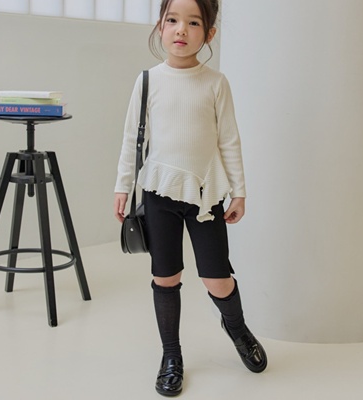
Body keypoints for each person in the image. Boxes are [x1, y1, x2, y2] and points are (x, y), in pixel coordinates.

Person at [114, 0, 267, 396]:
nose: (181, 29)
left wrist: (239, 191)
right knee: (166, 277)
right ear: (160, 26)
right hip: (159, 192)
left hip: (205, 194)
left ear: (209, 33)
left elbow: (229, 140)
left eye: (193, 22)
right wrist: (122, 186)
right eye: (172, 20)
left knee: (217, 278)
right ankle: (171, 355)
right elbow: (133, 139)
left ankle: (237, 329)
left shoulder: (216, 83)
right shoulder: (147, 80)